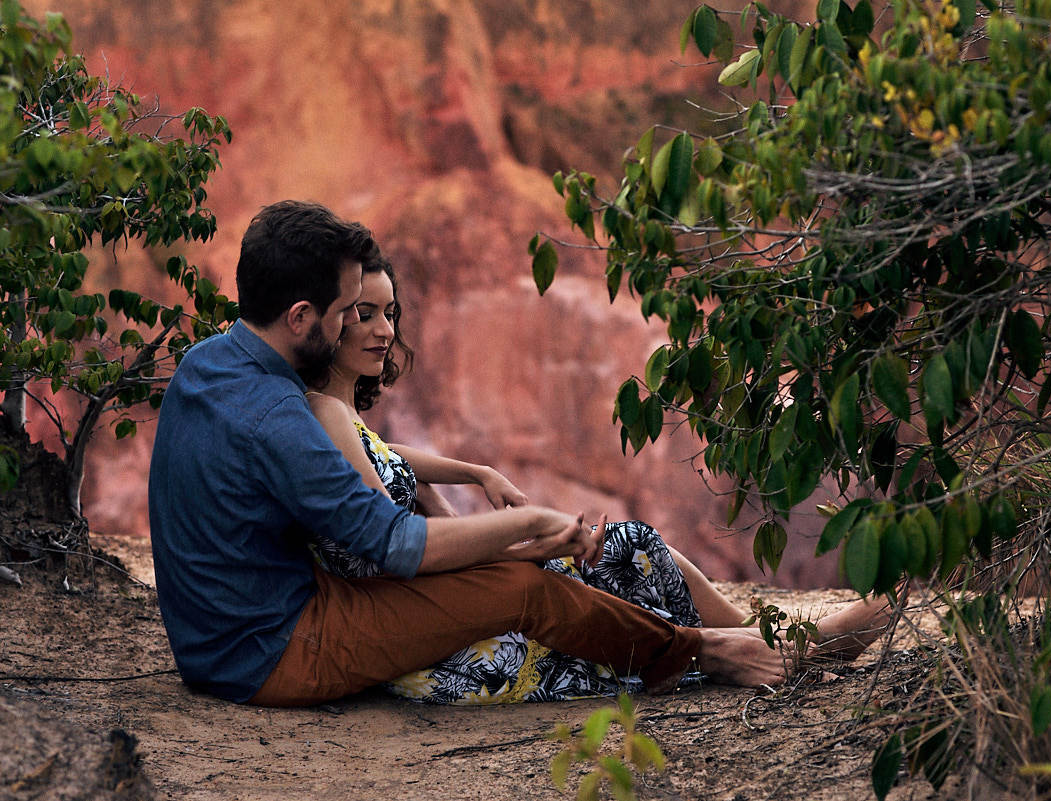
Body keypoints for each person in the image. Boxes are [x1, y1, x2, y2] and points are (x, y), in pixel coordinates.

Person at [147, 200, 799, 709]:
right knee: (523, 590)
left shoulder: (207, 364)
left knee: (543, 576)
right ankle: (703, 652)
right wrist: (530, 524)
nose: (358, 324)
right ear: (298, 317)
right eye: (347, 310)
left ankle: (712, 642)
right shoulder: (279, 414)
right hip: (273, 652)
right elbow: (394, 544)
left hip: (227, 639)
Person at [301, 251, 897, 703]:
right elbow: (400, 548)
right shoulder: (323, 411)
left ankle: (767, 641)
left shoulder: (343, 415)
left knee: (627, 548)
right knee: (588, 590)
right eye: (365, 314)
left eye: (391, 313)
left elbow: (388, 454)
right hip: (429, 644)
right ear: (328, 322)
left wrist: (480, 475)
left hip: (445, 602)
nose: (384, 330)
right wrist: (531, 541)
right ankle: (765, 652)